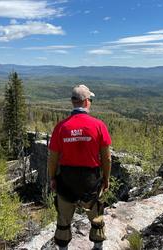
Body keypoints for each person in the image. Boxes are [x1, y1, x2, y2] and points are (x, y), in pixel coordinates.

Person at [47, 84, 112, 250]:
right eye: (90, 99)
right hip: (90, 181)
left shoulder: (61, 127)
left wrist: (53, 178)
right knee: (96, 216)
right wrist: (106, 178)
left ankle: (63, 248)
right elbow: (107, 158)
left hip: (66, 181)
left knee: (63, 220)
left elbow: (53, 159)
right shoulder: (99, 125)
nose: (90, 102)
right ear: (85, 102)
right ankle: (98, 246)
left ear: (73, 102)